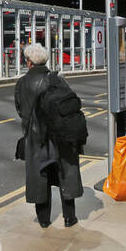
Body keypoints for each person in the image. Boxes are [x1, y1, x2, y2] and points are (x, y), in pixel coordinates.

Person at [14, 43, 84, 228]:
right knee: (65, 174)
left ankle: (44, 220)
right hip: (61, 135)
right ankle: (69, 217)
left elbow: (21, 110)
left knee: (40, 177)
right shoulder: (58, 79)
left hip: (37, 138)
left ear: (29, 62)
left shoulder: (22, 83)